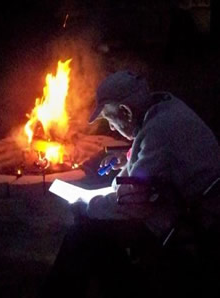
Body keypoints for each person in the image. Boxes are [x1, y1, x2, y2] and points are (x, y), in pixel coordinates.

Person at [39, 70, 220, 298]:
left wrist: (85, 204)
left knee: (84, 233)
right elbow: (148, 163)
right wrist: (128, 157)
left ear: (125, 112)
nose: (112, 128)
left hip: (192, 219)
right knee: (91, 237)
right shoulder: (166, 110)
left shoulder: (159, 131)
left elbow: (130, 199)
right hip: (186, 203)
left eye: (110, 120)